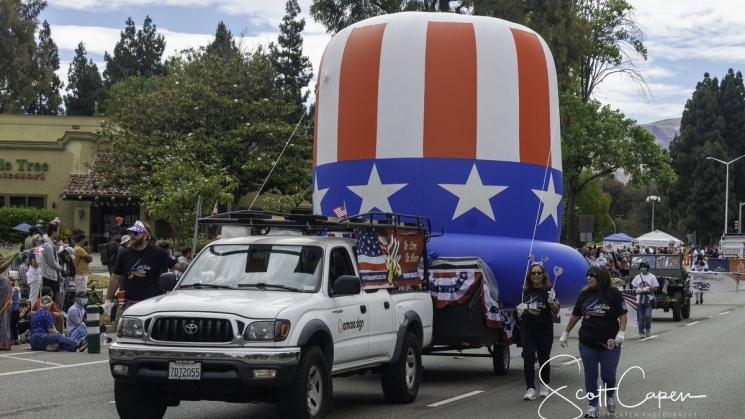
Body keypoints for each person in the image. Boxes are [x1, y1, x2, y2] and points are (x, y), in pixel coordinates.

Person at [559, 266, 628, 418]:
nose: (589, 278)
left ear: (602, 277)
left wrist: (621, 333)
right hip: (587, 342)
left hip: (610, 343)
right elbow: (575, 315)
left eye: (592, 275)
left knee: (608, 375)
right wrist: (565, 333)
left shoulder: (614, 293)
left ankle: (610, 395)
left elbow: (623, 315)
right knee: (590, 376)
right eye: (587, 275)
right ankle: (592, 406)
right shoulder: (584, 294)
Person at [104, 221, 188, 324]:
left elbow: (179, 265)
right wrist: (108, 300)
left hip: (151, 306)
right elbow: (116, 277)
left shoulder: (158, 253)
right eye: (130, 233)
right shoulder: (124, 254)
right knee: (123, 337)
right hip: (128, 306)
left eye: (135, 233)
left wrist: (198, 267)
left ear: (145, 235)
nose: (132, 236)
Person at [517, 263, 560, 400]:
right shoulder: (525, 291)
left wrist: (552, 302)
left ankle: (544, 384)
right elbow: (518, 310)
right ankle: (530, 388)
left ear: (543, 275)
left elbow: (557, 311)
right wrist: (520, 308)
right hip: (528, 329)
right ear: (529, 275)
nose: (536, 275)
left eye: (539, 273)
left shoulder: (550, 290)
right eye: (533, 273)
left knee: (544, 358)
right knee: (528, 359)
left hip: (544, 329)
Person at [630, 261, 658, 338]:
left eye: (644, 266)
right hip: (639, 299)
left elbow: (655, 287)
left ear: (647, 268)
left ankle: (648, 329)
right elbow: (634, 287)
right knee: (641, 317)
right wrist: (637, 289)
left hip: (649, 299)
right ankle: (641, 332)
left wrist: (648, 288)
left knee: (647, 316)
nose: (643, 268)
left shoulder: (652, 277)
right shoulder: (637, 277)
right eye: (641, 267)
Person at [40, 224, 64, 304]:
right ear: (53, 232)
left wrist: (59, 274)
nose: (58, 234)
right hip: (49, 276)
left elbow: (55, 260)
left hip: (53, 275)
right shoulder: (48, 246)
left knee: (54, 299)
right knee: (50, 299)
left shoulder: (52, 244)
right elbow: (52, 263)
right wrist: (61, 268)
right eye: (58, 232)